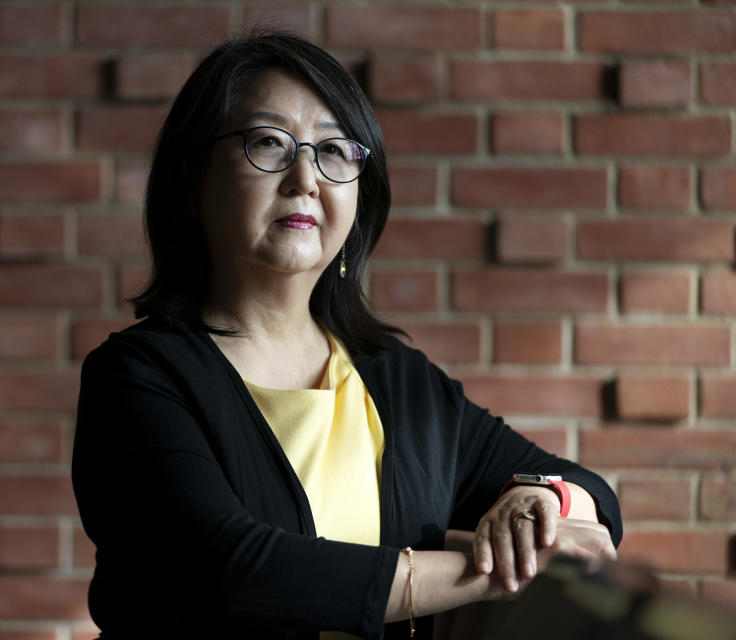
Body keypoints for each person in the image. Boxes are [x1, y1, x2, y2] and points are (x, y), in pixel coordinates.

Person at [72, 32, 621, 640]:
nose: (305, 176)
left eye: (335, 151)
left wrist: (539, 500)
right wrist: (498, 571)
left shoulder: (398, 382)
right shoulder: (136, 377)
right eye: (268, 143)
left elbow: (583, 487)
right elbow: (234, 571)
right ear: (194, 178)